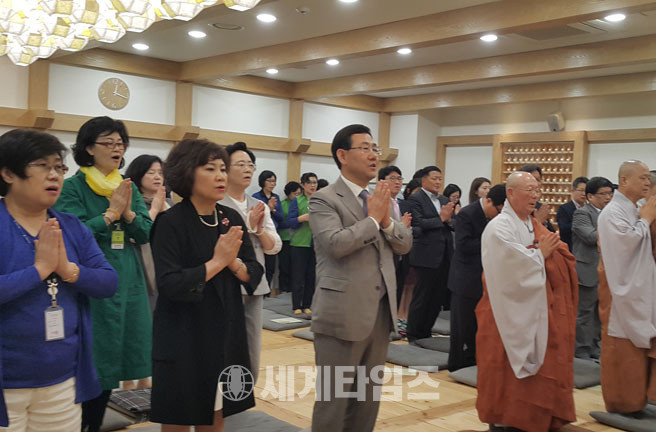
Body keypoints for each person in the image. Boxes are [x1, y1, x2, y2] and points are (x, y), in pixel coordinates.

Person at [0, 129, 117, 431]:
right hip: (6, 383)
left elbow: (108, 282)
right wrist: (39, 270)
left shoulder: (70, 226)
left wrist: (68, 270)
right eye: (42, 166)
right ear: (8, 173)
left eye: (59, 167)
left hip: (63, 379)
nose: (54, 175)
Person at [149, 139, 263, 431]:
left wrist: (234, 264)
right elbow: (170, 283)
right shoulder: (170, 222)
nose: (220, 176)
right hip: (183, 335)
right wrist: (217, 262)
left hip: (225, 331)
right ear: (188, 172)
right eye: (210, 169)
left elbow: (254, 271)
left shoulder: (230, 217)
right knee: (178, 413)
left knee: (217, 410)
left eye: (223, 169)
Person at [309, 124, 412, 432]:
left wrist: (386, 222)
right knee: (334, 403)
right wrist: (374, 219)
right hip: (341, 315)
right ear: (342, 155)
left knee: (367, 402)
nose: (373, 155)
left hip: (379, 314)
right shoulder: (324, 199)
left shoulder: (378, 197)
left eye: (374, 149)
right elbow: (336, 244)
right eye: (365, 148)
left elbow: (404, 243)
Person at [53, 116, 153, 431]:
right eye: (107, 143)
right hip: (88, 278)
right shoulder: (73, 187)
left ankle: (93, 424)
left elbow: (146, 232)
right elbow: (72, 234)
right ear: (88, 148)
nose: (116, 149)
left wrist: (128, 212)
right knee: (93, 355)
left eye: (120, 143)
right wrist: (110, 214)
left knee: (118, 354)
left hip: (128, 279)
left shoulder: (127, 186)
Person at [477, 171, 578, 431]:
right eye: (529, 190)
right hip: (504, 310)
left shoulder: (532, 224)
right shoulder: (499, 226)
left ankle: (533, 417)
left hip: (536, 307)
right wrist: (540, 255)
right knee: (502, 367)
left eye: (537, 190)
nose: (535, 195)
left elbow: (555, 251)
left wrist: (549, 253)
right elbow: (509, 266)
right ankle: (504, 418)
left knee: (542, 367)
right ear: (511, 193)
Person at [597, 160, 656, 414]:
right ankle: (621, 403)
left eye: (648, 178)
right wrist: (646, 221)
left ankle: (637, 400)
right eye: (642, 177)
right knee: (620, 346)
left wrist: (644, 219)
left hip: (637, 288)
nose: (647, 182)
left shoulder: (634, 209)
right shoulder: (612, 212)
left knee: (637, 348)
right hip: (618, 290)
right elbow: (625, 244)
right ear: (624, 180)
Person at [221, 142, 281, 384]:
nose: (247, 169)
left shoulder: (259, 205)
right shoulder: (215, 204)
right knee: (225, 341)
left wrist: (258, 229)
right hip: (225, 283)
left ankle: (246, 389)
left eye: (250, 165)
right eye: (241, 164)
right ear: (225, 169)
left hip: (255, 283)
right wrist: (248, 225)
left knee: (252, 341)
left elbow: (274, 246)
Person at [447, 184, 506, 372]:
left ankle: (473, 361)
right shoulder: (467, 214)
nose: (498, 215)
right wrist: (490, 239)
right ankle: (457, 364)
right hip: (465, 278)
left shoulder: (495, 217)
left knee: (478, 324)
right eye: (498, 210)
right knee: (461, 326)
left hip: (484, 278)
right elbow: (463, 245)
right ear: (489, 201)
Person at [405, 166, 455, 342]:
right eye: (434, 178)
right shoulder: (415, 199)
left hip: (445, 255)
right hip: (425, 255)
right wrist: (441, 219)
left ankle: (426, 332)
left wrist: (450, 220)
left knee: (437, 297)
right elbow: (418, 224)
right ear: (424, 180)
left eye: (440, 178)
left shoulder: (443, 199)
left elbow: (452, 223)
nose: (438, 182)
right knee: (422, 296)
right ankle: (413, 333)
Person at [125, 155, 174, 316]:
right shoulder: (132, 203)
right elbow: (137, 234)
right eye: (151, 173)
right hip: (142, 266)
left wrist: (163, 207)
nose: (157, 177)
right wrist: (154, 209)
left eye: (160, 173)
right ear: (138, 175)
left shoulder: (169, 202)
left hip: (167, 263)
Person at [571, 176, 613, 361]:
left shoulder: (610, 213)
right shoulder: (582, 213)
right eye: (603, 194)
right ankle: (580, 349)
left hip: (606, 271)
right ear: (590, 196)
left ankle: (595, 346)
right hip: (587, 271)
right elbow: (589, 236)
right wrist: (616, 232)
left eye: (610, 193)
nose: (608, 197)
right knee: (584, 313)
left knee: (599, 313)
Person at [378, 166, 411, 312]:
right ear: (381, 181)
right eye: (392, 179)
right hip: (386, 255)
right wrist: (401, 227)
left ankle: (394, 321)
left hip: (402, 256)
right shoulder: (379, 203)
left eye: (399, 179)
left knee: (398, 292)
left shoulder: (403, 204)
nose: (397, 182)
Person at [287, 172, 318, 314]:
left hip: (316, 243)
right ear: (303, 185)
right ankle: (296, 306)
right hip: (299, 243)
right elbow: (290, 221)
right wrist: (302, 218)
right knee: (298, 276)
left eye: (315, 182)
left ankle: (307, 304)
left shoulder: (320, 200)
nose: (313, 185)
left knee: (311, 276)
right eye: (310, 183)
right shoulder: (297, 200)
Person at [252, 169, 283, 288]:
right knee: (259, 264)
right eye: (269, 181)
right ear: (262, 182)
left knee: (270, 267)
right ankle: (258, 288)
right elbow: (255, 216)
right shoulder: (256, 197)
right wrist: (268, 208)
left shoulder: (276, 197)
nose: (272, 183)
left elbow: (280, 217)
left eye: (274, 181)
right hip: (259, 235)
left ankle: (267, 291)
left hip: (273, 235)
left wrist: (272, 209)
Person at [277, 181, 302, 292]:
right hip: (285, 238)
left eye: (299, 193)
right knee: (284, 265)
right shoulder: (282, 204)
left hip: (297, 239)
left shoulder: (302, 203)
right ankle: (283, 287)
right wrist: (293, 222)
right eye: (295, 194)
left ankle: (294, 287)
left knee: (295, 266)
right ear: (288, 193)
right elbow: (280, 222)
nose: (297, 196)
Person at [519, 164, 556, 232]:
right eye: (533, 179)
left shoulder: (539, 206)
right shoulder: (516, 205)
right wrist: (538, 222)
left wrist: (544, 223)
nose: (536, 183)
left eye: (538, 180)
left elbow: (551, 232)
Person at [556, 176, 588, 251]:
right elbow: (563, 229)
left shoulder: (589, 209)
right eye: (581, 190)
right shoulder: (564, 209)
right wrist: (581, 226)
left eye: (586, 191)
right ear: (573, 191)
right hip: (569, 248)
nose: (584, 194)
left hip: (585, 249)